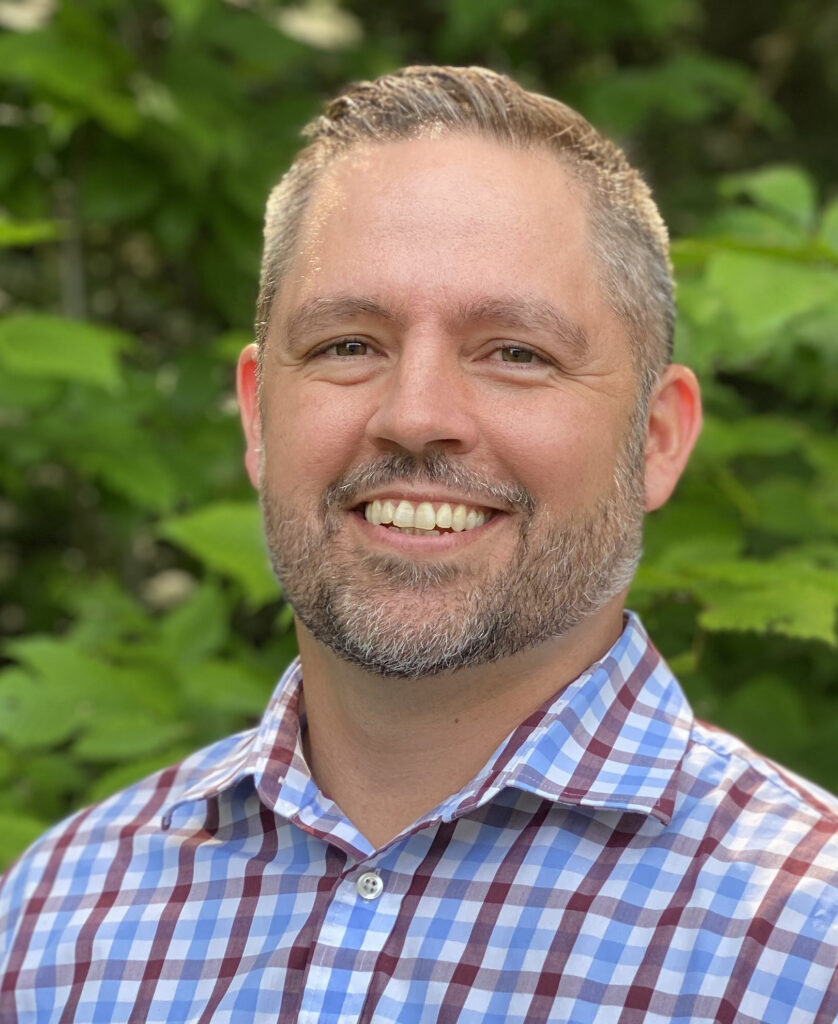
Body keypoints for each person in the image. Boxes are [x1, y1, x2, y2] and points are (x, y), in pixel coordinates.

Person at [1, 65, 836, 1024]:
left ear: (656, 439)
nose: (415, 415)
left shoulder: (811, 947)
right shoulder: (53, 921)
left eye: (516, 353)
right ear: (258, 417)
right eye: (348, 345)